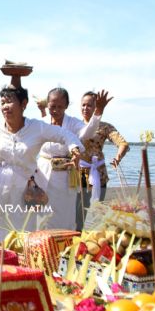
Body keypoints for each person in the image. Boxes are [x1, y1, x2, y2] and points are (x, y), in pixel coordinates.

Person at [0, 84, 83, 242]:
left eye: (9, 101)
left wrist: (74, 149)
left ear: (23, 104)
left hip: (24, 191)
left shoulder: (37, 127)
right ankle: (1, 264)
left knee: (24, 235)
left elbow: (63, 134)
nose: (5, 107)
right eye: (2, 102)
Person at [34, 87, 110, 230]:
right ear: (47, 105)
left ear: (66, 106)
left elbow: (87, 132)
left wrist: (98, 111)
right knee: (42, 213)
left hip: (65, 175)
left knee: (64, 213)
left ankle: (64, 246)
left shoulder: (73, 123)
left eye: (60, 107)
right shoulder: (41, 123)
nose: (55, 110)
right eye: (52, 106)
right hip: (43, 173)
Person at [76, 91, 129, 230]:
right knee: (78, 215)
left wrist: (118, 157)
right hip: (79, 175)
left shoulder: (105, 126)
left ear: (96, 107)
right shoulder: (74, 125)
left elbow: (123, 143)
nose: (85, 108)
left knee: (98, 213)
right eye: (83, 105)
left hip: (99, 175)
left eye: (89, 105)